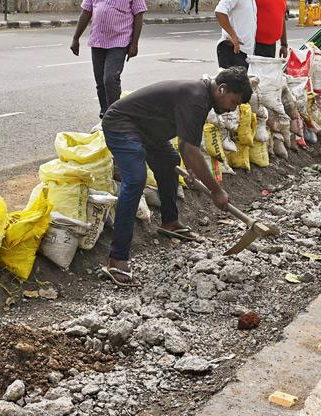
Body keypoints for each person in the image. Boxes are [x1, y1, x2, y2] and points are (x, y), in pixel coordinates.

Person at [101, 67, 252, 286]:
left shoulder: (203, 97)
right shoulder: (196, 96)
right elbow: (188, 147)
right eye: (234, 102)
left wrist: (191, 166)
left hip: (148, 130)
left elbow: (187, 142)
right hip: (121, 125)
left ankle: (170, 222)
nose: (232, 108)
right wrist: (216, 191)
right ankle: (117, 259)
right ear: (222, 89)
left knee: (169, 161)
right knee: (135, 180)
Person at [71, 0, 147, 119]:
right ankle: (105, 113)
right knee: (100, 82)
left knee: (110, 78)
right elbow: (86, 12)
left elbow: (139, 14)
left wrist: (134, 44)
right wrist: (76, 38)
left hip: (120, 40)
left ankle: (116, 114)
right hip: (98, 40)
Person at [214, 0, 261, 69]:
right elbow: (220, 12)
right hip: (232, 49)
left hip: (244, 52)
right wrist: (233, 36)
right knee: (230, 85)